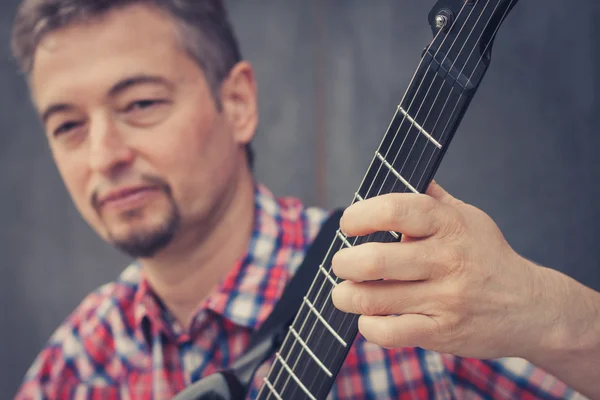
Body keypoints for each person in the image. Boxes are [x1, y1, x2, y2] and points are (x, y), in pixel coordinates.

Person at [9, 0, 596, 399]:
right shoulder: (76, 366)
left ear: (237, 102)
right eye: (67, 126)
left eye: (140, 104)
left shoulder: (404, 287)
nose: (102, 155)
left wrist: (547, 314)